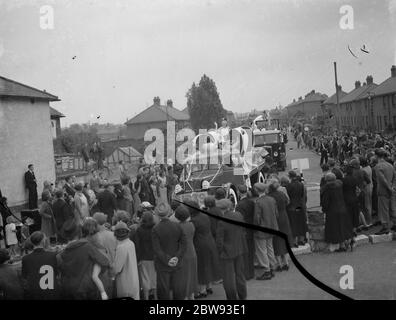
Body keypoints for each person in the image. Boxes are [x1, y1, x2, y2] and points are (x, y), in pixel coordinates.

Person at [57, 219, 110, 300]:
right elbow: (105, 262)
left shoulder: (61, 254)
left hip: (68, 290)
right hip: (86, 290)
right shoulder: (87, 247)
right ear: (79, 232)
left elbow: (61, 270)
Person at [152, 202, 187, 300]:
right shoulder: (177, 226)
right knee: (179, 291)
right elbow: (184, 244)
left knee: (163, 292)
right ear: (170, 212)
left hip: (162, 265)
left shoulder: (156, 229)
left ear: (157, 214)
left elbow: (157, 249)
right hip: (177, 264)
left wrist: (168, 260)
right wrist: (176, 257)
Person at [188, 200, 221, 298]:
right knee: (208, 264)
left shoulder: (193, 221)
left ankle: (202, 291)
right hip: (210, 241)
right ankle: (209, 286)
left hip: (200, 244)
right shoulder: (205, 216)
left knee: (202, 267)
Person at [216, 199, 247, 300]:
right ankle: (243, 295)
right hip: (239, 248)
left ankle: (231, 298)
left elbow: (219, 241)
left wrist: (220, 251)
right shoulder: (238, 215)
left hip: (227, 252)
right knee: (240, 275)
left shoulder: (221, 222)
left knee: (228, 278)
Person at [21, 231, 59, 299]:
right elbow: (56, 274)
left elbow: (24, 277)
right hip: (51, 292)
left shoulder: (25, 258)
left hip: (35, 292)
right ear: (43, 241)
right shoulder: (53, 255)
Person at [321, 173, 353, 251]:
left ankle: (341, 246)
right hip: (342, 208)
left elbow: (325, 201)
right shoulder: (340, 184)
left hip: (332, 210)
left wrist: (324, 209)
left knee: (336, 229)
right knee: (343, 226)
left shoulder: (327, 188)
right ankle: (348, 242)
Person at [253, 183, 278, 281]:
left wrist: (255, 227)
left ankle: (267, 270)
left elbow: (257, 218)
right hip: (272, 226)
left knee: (261, 250)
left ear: (257, 190)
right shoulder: (272, 199)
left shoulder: (258, 202)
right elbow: (276, 213)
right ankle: (272, 267)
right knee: (270, 247)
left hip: (262, 229)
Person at [267, 179, 292, 271]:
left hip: (275, 218)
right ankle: (286, 262)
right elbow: (287, 202)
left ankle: (279, 264)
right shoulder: (282, 194)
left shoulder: (269, 197)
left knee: (276, 240)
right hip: (284, 217)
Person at [175, 205, 198, 300]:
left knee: (183, 277)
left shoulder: (177, 227)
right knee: (192, 275)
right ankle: (191, 296)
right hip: (192, 252)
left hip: (182, 254)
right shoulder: (191, 225)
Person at [134, 211, 157, 300]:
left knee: (145, 279)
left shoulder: (139, 230)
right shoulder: (155, 228)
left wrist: (138, 258)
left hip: (143, 257)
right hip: (154, 257)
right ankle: (156, 297)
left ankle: (146, 298)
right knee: (154, 278)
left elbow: (137, 245)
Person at [235, 185, 255, 280]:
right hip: (251, 229)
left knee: (245, 253)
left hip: (244, 231)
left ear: (239, 192)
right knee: (251, 252)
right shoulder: (251, 202)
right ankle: (251, 272)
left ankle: (247, 273)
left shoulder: (239, 205)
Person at [374, 149, 396, 234]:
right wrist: (392, 187)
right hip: (392, 189)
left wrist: (389, 188)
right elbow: (395, 177)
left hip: (383, 190)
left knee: (384, 209)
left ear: (376, 156)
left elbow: (382, 179)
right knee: (392, 208)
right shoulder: (390, 165)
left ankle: (385, 227)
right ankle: (394, 224)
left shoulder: (378, 166)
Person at [285, 171, 308, 247]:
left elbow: (288, 197)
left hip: (291, 206)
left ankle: (294, 241)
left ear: (290, 177)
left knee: (293, 224)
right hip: (299, 206)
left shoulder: (288, 186)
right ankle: (301, 240)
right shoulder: (301, 184)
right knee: (300, 222)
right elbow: (302, 195)